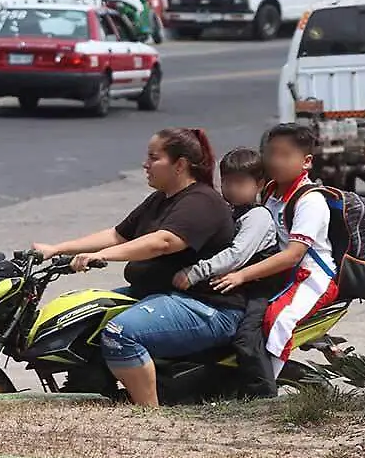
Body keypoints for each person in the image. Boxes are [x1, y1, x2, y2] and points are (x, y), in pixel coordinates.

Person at [30, 128, 240, 407]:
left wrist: (103, 256)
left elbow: (163, 242)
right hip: (160, 296)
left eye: (154, 158)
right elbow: (119, 234)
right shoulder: (161, 199)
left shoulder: (201, 201)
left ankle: (148, 413)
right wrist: (57, 249)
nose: (145, 164)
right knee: (85, 317)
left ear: (179, 165)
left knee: (120, 333)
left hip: (207, 307)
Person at [215, 123, 337, 379]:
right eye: (271, 154)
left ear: (306, 162)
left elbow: (293, 254)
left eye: (285, 155)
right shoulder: (271, 190)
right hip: (277, 273)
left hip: (309, 277)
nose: (275, 161)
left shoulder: (310, 200)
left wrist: (242, 275)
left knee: (277, 321)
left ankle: (266, 390)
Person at [173, 147, 283, 399]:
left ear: (259, 184)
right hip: (231, 286)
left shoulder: (257, 216)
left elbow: (236, 255)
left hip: (257, 290)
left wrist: (195, 272)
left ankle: (264, 398)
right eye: (227, 182)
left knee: (246, 340)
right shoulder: (229, 211)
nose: (232, 188)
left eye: (240, 183)